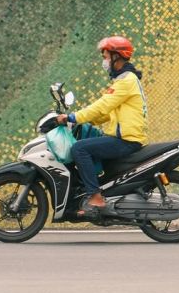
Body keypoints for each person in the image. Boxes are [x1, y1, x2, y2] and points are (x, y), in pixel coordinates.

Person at [56, 36, 147, 217]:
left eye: (106, 57)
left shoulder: (126, 81)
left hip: (126, 140)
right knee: (88, 141)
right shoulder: (124, 79)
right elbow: (106, 112)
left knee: (79, 149)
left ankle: (96, 198)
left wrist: (73, 117)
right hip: (123, 137)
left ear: (116, 57)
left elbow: (102, 105)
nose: (104, 62)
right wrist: (87, 120)